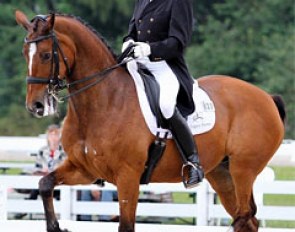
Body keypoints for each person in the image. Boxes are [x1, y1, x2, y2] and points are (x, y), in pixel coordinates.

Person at [122, 0, 204, 188]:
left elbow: (178, 43)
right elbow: (133, 30)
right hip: (138, 61)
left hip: (164, 64)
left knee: (166, 105)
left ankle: (193, 162)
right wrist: (128, 41)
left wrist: (150, 49)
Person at [15, 124, 66, 219]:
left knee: (43, 187)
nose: (53, 137)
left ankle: (25, 209)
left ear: (59, 136)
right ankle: (26, 208)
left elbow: (65, 168)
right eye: (51, 135)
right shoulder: (42, 151)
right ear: (48, 136)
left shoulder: (64, 151)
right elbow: (37, 166)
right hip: (44, 180)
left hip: (58, 183)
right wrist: (42, 170)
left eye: (56, 134)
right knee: (37, 186)